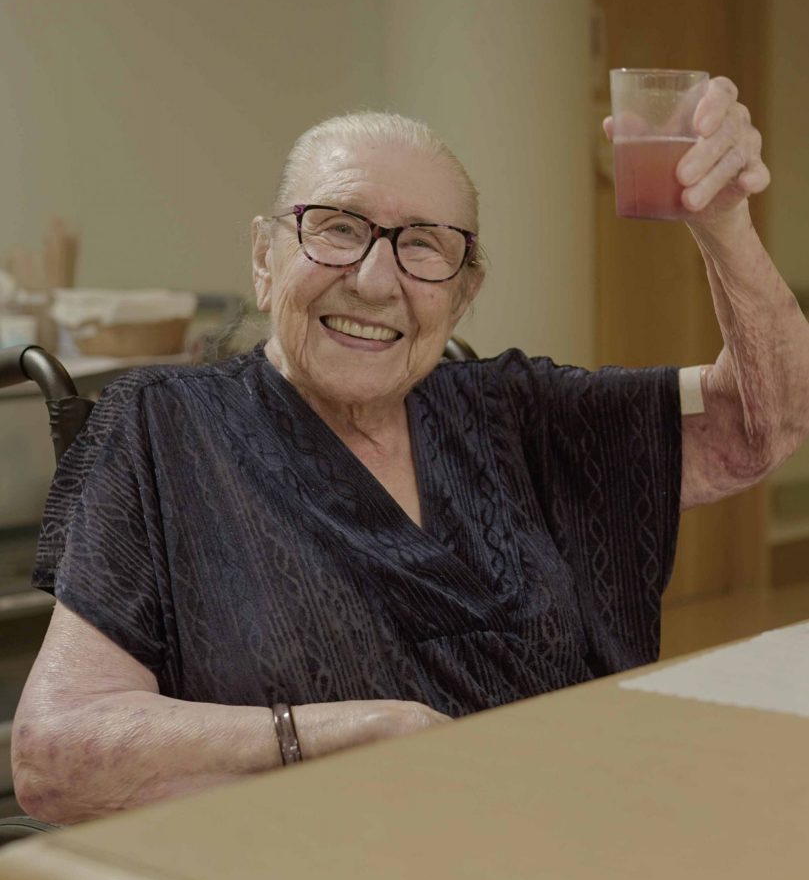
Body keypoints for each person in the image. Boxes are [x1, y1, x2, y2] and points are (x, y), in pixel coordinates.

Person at [12, 79, 809, 825]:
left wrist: (725, 223)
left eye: (423, 246)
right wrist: (340, 737)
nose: (372, 278)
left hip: (571, 840)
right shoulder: (166, 431)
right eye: (336, 228)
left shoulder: (512, 413)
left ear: (463, 293)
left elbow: (761, 423)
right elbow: (56, 756)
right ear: (264, 258)